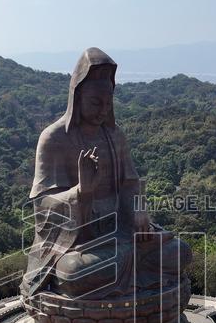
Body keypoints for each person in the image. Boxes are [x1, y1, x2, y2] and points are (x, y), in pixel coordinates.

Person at [21, 47, 190, 299]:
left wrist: (139, 209)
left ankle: (126, 276)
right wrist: (80, 192)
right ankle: (135, 283)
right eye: (95, 102)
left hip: (122, 228)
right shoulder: (54, 138)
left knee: (180, 252)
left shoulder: (114, 135)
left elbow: (130, 184)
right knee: (74, 273)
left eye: (108, 103)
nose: (103, 110)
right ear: (77, 98)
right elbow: (42, 206)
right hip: (79, 241)